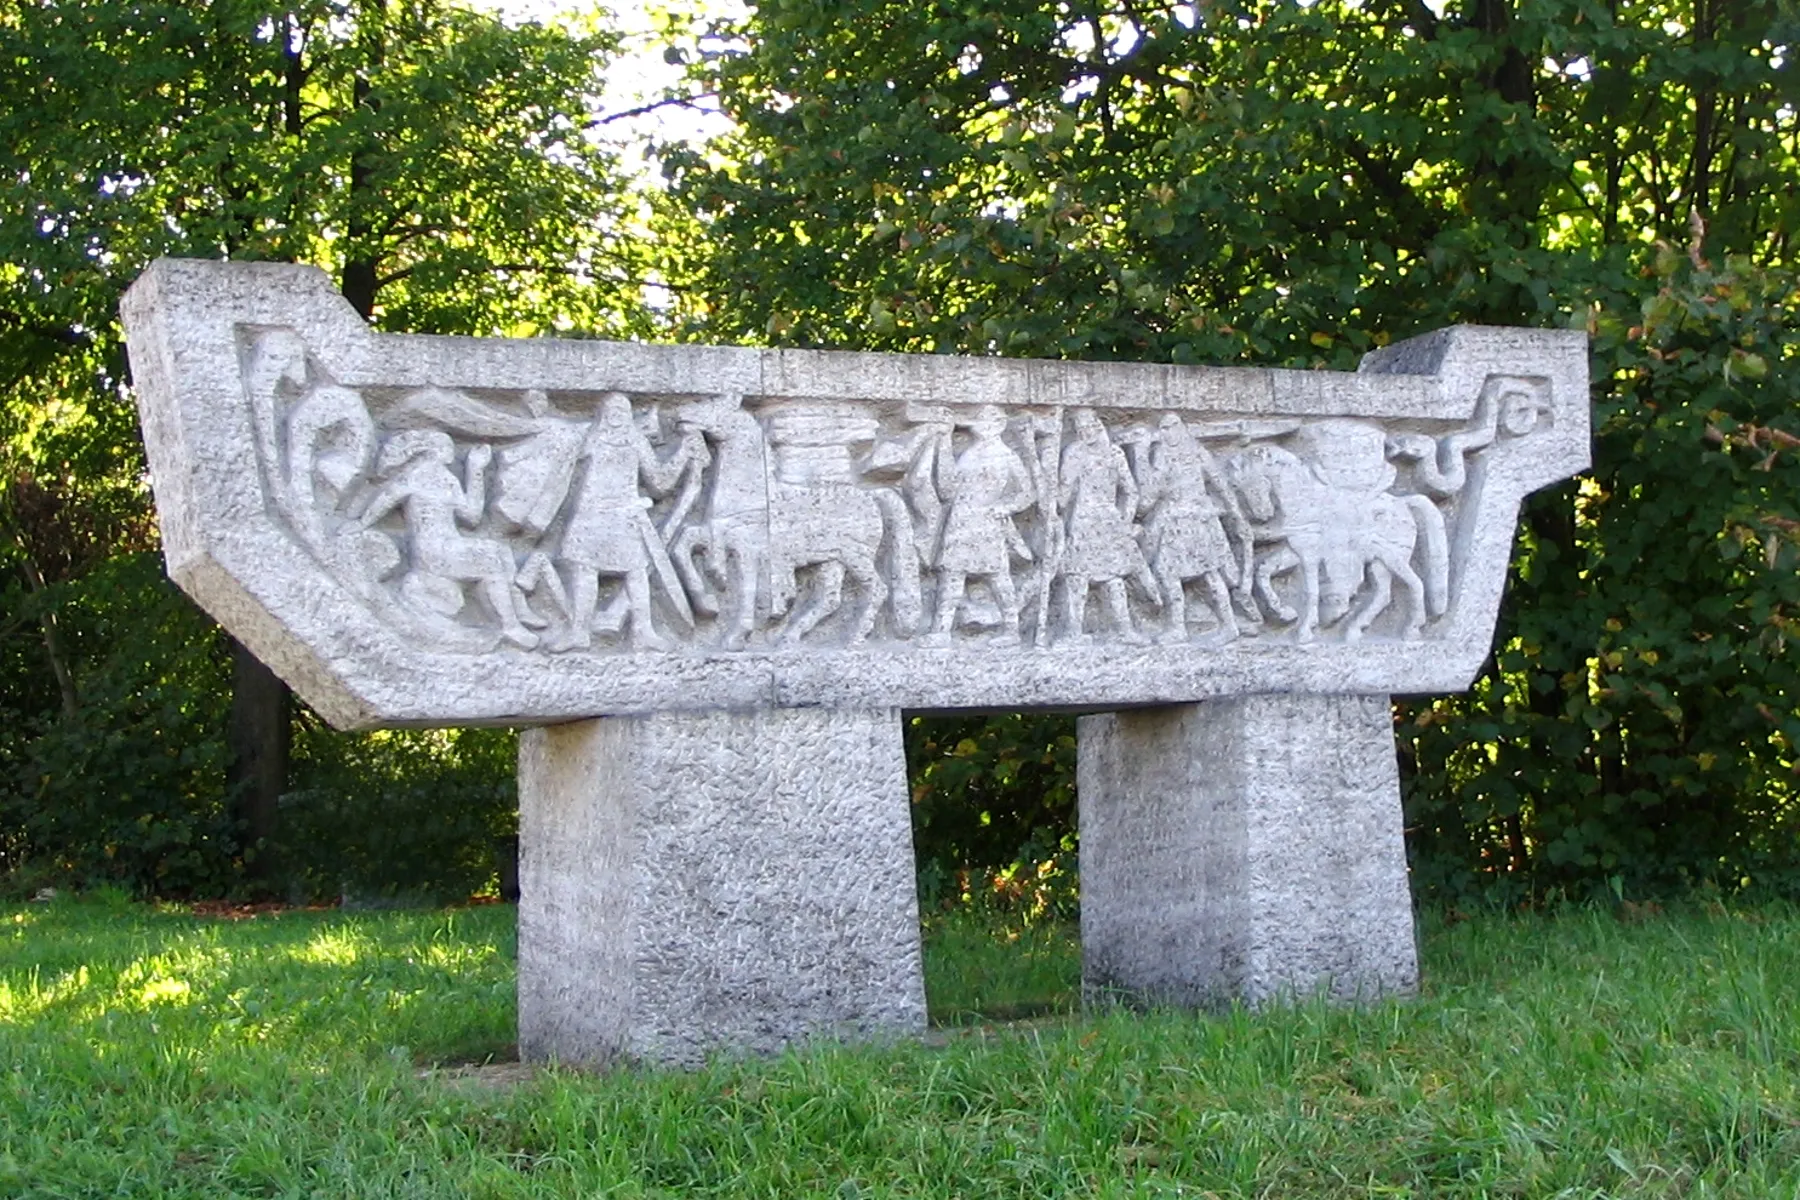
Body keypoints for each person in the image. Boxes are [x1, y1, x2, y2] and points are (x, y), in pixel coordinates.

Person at [358, 430, 540, 649]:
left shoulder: (447, 479)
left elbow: (471, 517)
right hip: (432, 551)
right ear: (433, 452)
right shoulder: (416, 476)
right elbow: (386, 498)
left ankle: (516, 606)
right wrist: (361, 523)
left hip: (450, 544)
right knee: (490, 558)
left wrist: (475, 470)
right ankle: (509, 625)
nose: (451, 453)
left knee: (498, 550)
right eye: (446, 448)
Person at [553, 392, 698, 651]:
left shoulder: (636, 442)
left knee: (636, 572)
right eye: (611, 410)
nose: (616, 416)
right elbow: (560, 464)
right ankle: (578, 631)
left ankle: (643, 632)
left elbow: (660, 483)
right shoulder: (589, 438)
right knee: (584, 570)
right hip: (591, 514)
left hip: (624, 514)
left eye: (623, 410)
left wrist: (684, 453)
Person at [923, 406, 1035, 646]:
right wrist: (943, 440)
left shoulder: (1006, 456)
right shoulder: (970, 454)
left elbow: (1027, 492)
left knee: (997, 575)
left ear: (997, 425)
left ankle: (1011, 629)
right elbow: (947, 488)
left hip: (987, 519)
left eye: (983, 421)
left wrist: (1005, 507)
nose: (977, 425)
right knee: (952, 575)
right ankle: (941, 630)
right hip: (960, 518)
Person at [1139, 414, 1252, 644]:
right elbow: (1220, 485)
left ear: (1181, 428)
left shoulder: (1167, 455)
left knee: (1184, 573)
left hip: (1186, 522)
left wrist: (1141, 457)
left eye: (1171, 427)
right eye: (1163, 428)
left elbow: (1150, 495)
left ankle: (1199, 627)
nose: (1167, 433)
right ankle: (1220, 625)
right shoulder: (1196, 452)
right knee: (1205, 573)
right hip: (1194, 519)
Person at [1058, 408, 1157, 643]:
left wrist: (1125, 521)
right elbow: (1063, 497)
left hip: (1107, 519)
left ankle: (1124, 630)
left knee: (1114, 577)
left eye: (1088, 427)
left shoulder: (1114, 454)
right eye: (1079, 430)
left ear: (1098, 425)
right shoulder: (1074, 453)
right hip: (1083, 520)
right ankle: (1074, 632)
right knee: (1078, 577)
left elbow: (1131, 492)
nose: (1084, 433)